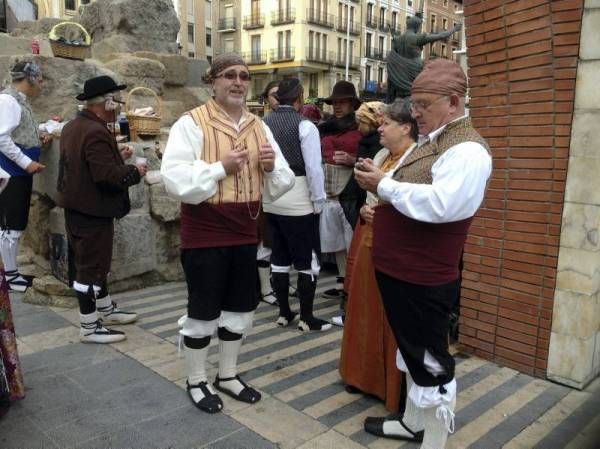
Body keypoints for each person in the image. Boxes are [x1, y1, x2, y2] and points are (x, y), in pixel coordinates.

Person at [355, 59, 492, 448]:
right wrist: (380, 201)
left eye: (422, 104)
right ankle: (414, 423)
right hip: (402, 272)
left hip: (424, 277)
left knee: (432, 361)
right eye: (413, 104)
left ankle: (434, 441)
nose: (415, 113)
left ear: (452, 101)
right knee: (413, 351)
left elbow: (443, 206)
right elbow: (410, 197)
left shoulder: (468, 151)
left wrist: (385, 187)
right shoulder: (435, 142)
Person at [161, 54, 294, 414]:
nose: (238, 82)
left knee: (239, 305)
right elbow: (173, 179)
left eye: (244, 77)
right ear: (213, 82)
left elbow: (280, 179)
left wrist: (268, 167)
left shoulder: (258, 126)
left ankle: (228, 374)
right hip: (205, 230)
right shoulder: (191, 123)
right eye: (229, 76)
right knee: (203, 310)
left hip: (244, 230)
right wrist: (221, 167)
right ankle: (196, 379)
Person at [339, 99, 417, 412]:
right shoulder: (383, 154)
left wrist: (380, 215)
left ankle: (387, 384)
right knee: (362, 309)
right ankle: (360, 376)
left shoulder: (416, 160)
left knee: (386, 315)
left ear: (406, 127)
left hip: (395, 247)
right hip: (369, 239)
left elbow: (417, 206)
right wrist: (363, 209)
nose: (379, 128)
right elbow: (371, 196)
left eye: (386, 124)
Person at [57, 75, 146, 344]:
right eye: (116, 100)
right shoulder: (95, 131)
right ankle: (88, 324)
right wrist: (134, 171)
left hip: (78, 207)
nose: (118, 105)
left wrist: (119, 156)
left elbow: (86, 163)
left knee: (93, 263)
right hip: (91, 210)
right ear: (106, 102)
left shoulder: (75, 126)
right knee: (89, 268)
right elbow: (106, 176)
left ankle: (105, 308)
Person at [262, 78, 329, 332]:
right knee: (306, 258)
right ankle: (307, 318)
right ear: (299, 98)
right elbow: (313, 168)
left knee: (278, 256)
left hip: (271, 197)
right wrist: (318, 199)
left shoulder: (263, 123)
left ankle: (283, 313)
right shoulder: (305, 126)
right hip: (299, 195)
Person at [331, 101, 385, 327]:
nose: (358, 127)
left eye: (361, 122)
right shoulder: (376, 146)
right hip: (365, 206)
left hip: (368, 209)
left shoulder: (378, 148)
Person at [0, 61, 47, 292]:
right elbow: (2, 138)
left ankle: (11, 274)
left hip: (17, 170)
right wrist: (26, 163)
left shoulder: (17, 101)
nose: (40, 84)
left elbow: (19, 133)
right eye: (38, 79)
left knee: (14, 222)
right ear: (29, 78)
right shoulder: (8, 101)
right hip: (13, 171)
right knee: (10, 224)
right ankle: (9, 276)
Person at [318, 81, 362, 300]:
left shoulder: (361, 127)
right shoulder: (324, 128)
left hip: (351, 193)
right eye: (335, 102)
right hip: (329, 193)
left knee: (352, 241)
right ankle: (344, 282)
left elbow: (374, 158)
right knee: (336, 243)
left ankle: (354, 285)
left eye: (342, 102)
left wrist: (353, 160)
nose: (337, 106)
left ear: (352, 103)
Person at [387, 12, 462, 101]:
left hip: (401, 74)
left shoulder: (398, 39)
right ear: (417, 27)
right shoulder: (418, 38)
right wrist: (454, 29)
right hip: (416, 70)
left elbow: (394, 53)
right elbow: (441, 36)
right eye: (419, 26)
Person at [256, 80, 280, 306]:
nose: (278, 98)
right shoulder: (261, 125)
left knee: (279, 241)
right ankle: (264, 287)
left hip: (288, 188)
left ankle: (278, 283)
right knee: (264, 240)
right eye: (274, 95)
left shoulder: (305, 123)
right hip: (263, 189)